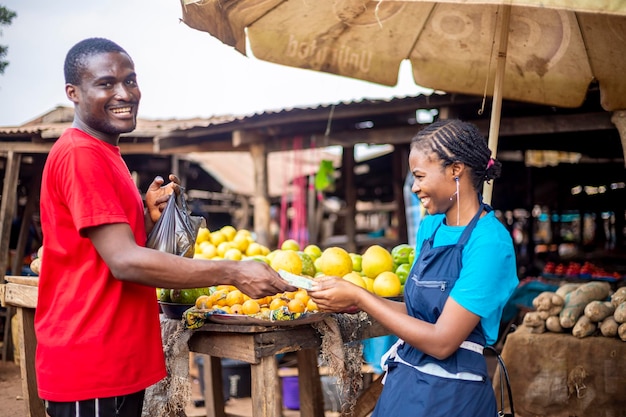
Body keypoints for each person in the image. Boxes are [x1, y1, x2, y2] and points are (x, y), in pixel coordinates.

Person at [36, 37, 293, 417]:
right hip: (90, 361)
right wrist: (233, 271)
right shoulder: (81, 154)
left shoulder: (106, 153)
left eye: (131, 80)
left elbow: (104, 243)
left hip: (113, 358)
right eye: (106, 83)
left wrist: (143, 214)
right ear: (73, 93)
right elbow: (124, 261)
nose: (124, 93)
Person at [310, 119, 519, 416]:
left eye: (420, 176)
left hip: (452, 396)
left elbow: (443, 341)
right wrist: (359, 302)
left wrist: (361, 297)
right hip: (405, 382)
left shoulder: (490, 244)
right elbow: (416, 313)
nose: (415, 188)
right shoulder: (431, 227)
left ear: (455, 170)